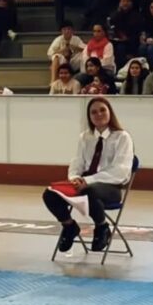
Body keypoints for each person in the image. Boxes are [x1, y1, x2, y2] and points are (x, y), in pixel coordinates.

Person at [42, 97, 134, 253]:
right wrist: (75, 178)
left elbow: (120, 170)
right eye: (94, 112)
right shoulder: (85, 137)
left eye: (102, 110)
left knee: (90, 190)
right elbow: (77, 162)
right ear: (89, 116)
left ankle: (102, 227)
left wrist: (88, 181)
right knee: (49, 194)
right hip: (84, 183)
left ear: (110, 112)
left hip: (110, 187)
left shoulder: (122, 137)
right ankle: (69, 226)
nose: (99, 114)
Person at [109, 0, 144, 69]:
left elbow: (137, 32)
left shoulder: (137, 16)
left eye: (127, 1)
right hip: (119, 41)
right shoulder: (115, 15)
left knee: (122, 48)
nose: (125, 3)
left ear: (131, 3)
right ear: (120, 3)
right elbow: (113, 29)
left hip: (133, 42)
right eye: (123, 1)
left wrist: (127, 38)